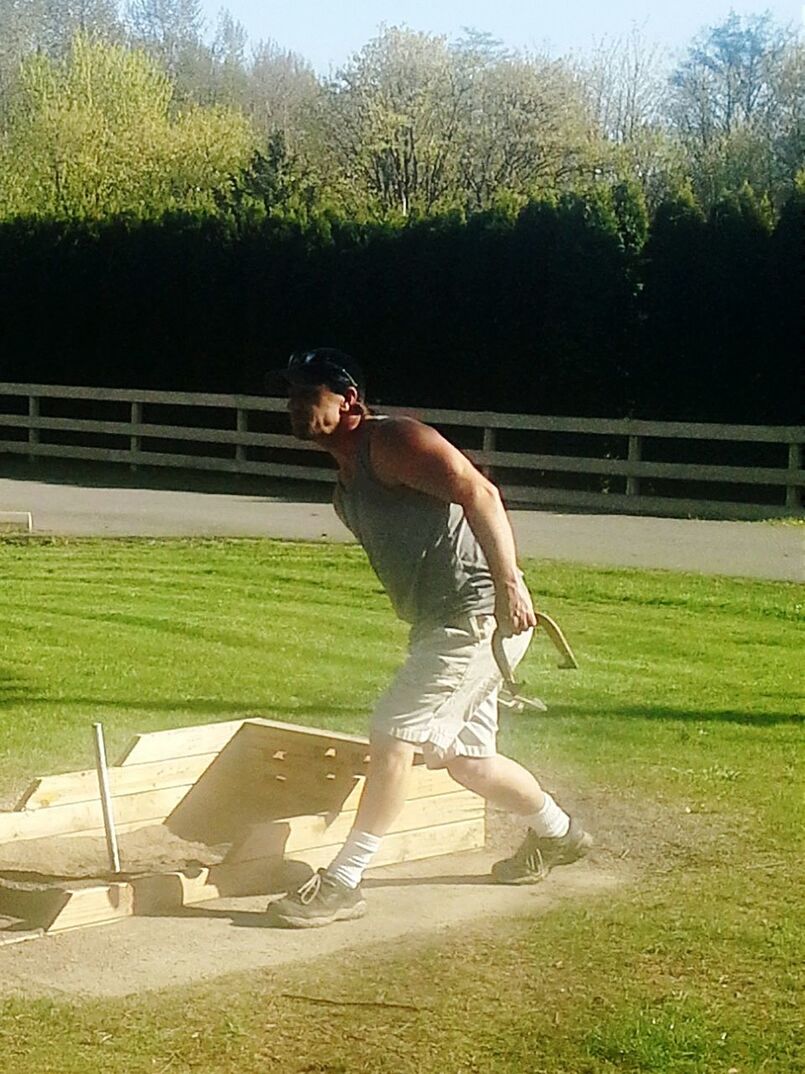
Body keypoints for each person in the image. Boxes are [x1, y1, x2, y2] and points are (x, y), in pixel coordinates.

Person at [267, 348, 592, 928]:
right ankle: (560, 833)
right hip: (444, 624)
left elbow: (481, 494)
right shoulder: (345, 490)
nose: (293, 405)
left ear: (349, 403)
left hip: (475, 619)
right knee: (472, 763)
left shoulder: (391, 442)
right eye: (290, 395)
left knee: (393, 734)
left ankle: (344, 882)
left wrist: (509, 585)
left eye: (307, 394)